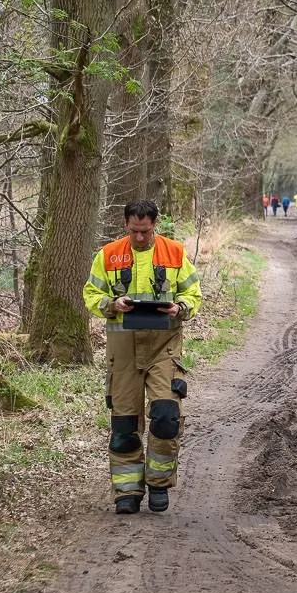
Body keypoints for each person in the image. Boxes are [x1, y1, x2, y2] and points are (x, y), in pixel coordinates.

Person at [83, 200, 203, 514]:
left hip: (164, 346)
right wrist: (112, 304)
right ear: (125, 225)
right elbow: (90, 295)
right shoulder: (107, 256)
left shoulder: (174, 252)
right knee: (124, 423)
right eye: (134, 231)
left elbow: (193, 293)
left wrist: (180, 308)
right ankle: (127, 490)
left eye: (145, 231)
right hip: (122, 349)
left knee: (166, 416)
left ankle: (159, 484)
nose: (140, 237)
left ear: (155, 225)